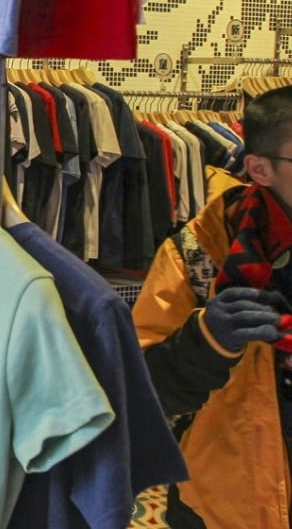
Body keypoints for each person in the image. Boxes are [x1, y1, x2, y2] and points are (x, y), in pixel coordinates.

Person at [133, 85, 292, 528]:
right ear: (260, 169)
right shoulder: (200, 254)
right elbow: (142, 391)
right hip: (225, 502)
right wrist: (204, 342)